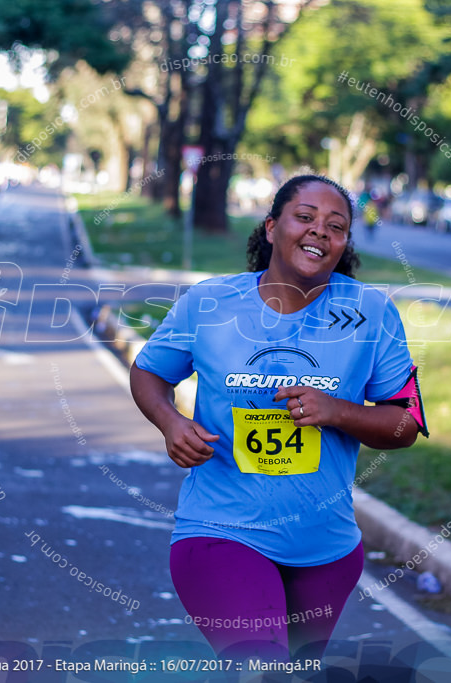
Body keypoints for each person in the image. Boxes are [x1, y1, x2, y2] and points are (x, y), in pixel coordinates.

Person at [129, 174, 429, 662]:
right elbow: (148, 373)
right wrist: (170, 422)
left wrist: (337, 411)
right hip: (221, 530)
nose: (320, 233)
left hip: (326, 548)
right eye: (305, 218)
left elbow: (405, 424)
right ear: (271, 227)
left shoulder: (371, 313)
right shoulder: (210, 303)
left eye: (336, 226)